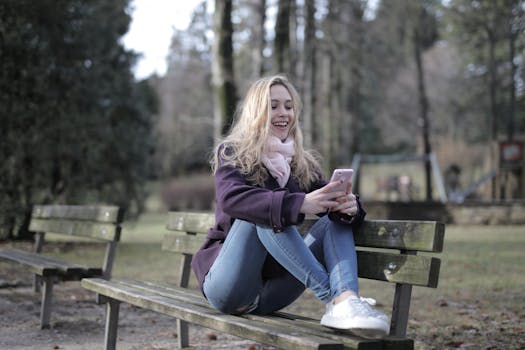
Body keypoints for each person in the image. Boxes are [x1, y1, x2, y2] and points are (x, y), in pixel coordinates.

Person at [191, 74, 389, 338]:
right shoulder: (232, 154)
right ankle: (337, 299)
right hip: (229, 287)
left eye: (288, 105)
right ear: (256, 112)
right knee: (261, 214)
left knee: (333, 221)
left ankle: (345, 299)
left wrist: (349, 207)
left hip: (272, 294)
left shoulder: (301, 163)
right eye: (273, 106)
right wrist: (301, 203)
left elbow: (330, 204)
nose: (283, 112)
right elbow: (232, 199)